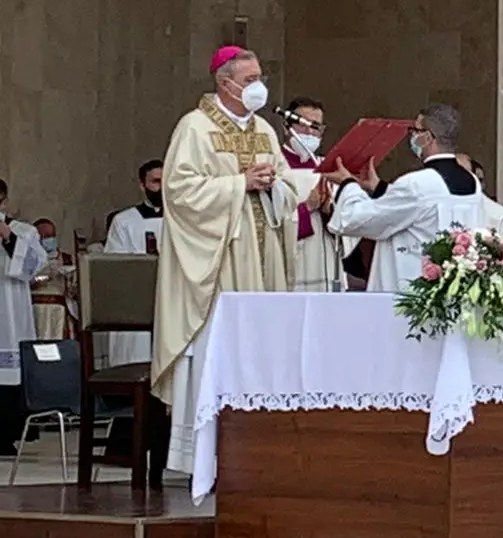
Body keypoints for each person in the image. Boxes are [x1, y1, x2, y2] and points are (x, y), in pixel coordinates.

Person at [157, 47, 320, 473]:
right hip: (220, 261)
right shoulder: (194, 128)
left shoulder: (265, 131)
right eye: (249, 80)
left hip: (263, 261)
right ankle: (206, 457)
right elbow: (178, 192)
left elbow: (285, 184)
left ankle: (255, 452)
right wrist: (238, 184)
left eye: (259, 77)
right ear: (224, 82)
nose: (258, 87)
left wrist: (275, 186)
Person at [328, 103, 503, 292]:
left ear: (428, 137)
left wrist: (348, 184)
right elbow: (415, 211)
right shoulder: (471, 181)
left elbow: (360, 220)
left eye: (416, 130)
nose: (412, 136)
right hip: (449, 291)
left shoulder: (417, 183)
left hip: (410, 292)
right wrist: (378, 187)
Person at [102, 161, 165, 368]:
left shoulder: (183, 218)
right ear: (142, 185)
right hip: (137, 297)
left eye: (166, 180)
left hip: (170, 296)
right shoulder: (124, 220)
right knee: (136, 358)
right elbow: (115, 263)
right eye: (155, 181)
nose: (162, 186)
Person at [0, 180, 48, 452]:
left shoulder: (24, 232)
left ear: (4, 203)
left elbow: (35, 266)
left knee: (8, 373)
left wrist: (9, 239)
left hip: (10, 309)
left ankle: (6, 434)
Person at [279, 97, 340, 292]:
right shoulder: (275, 166)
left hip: (326, 265)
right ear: (286, 126)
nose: (309, 132)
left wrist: (328, 209)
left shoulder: (330, 168)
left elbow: (347, 226)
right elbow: (269, 222)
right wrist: (306, 208)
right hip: (292, 263)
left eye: (315, 127)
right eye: (303, 125)